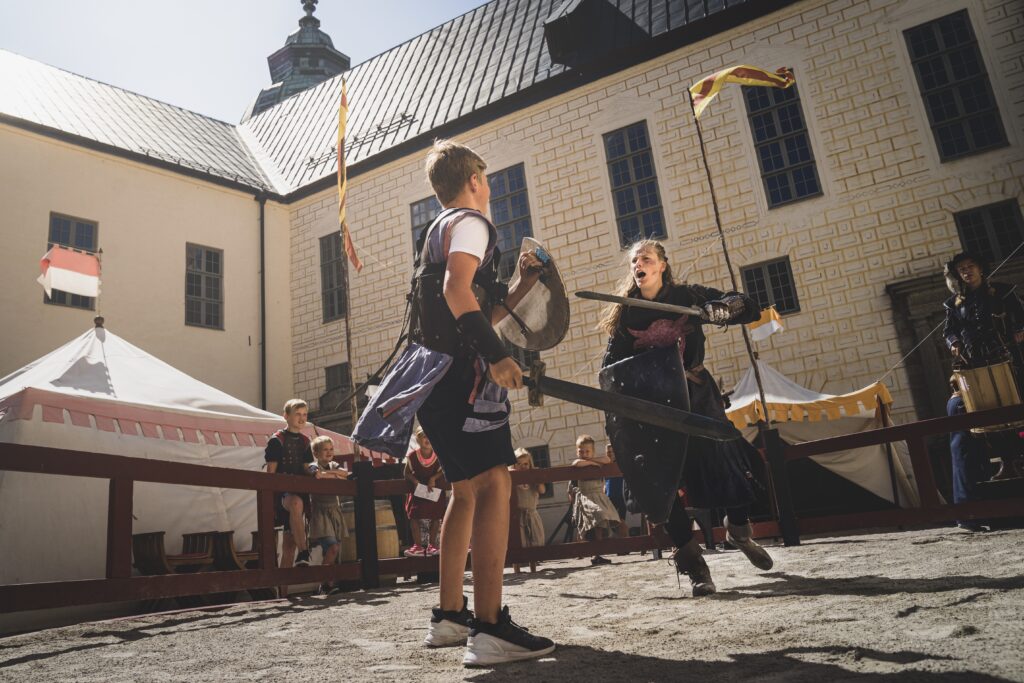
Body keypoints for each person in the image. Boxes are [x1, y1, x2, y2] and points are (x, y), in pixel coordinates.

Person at [414, 139, 555, 665]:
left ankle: (451, 617)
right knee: (496, 479)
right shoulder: (471, 223)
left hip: (430, 376)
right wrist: (497, 357)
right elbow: (457, 292)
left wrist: (521, 286)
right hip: (462, 380)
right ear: (473, 179)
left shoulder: (438, 230)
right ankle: (491, 627)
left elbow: (468, 306)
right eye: (487, 178)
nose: (490, 187)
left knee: (464, 492)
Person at [599, 239, 773, 597]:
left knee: (730, 466)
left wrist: (723, 308)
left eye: (646, 258)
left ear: (662, 264)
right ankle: (696, 568)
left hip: (697, 396)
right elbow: (610, 374)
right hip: (653, 411)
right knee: (660, 487)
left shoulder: (688, 296)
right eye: (634, 261)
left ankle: (739, 531)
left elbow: (748, 306)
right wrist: (618, 429)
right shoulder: (626, 315)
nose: (638, 264)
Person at [943, 251, 1024, 480]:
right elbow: (948, 332)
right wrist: (954, 342)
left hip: (1009, 361)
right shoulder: (955, 303)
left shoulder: (1001, 291)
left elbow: (1021, 316)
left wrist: (1020, 331)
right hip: (977, 365)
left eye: (970, 266)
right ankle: (1007, 462)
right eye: (962, 269)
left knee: (1017, 409)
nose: (967, 272)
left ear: (980, 268)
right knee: (990, 417)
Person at [264, 398, 316, 569]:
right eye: (297, 414)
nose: (302, 418)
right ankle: (304, 552)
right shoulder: (276, 440)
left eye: (305, 415)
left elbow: (306, 468)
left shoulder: (306, 441)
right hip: (282, 497)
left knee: (288, 545)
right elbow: (271, 473)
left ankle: (283, 592)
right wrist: (269, 503)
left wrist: (323, 471)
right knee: (295, 502)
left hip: (300, 494)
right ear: (286, 416)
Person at [946, 380, 993, 531]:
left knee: (961, 478)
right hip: (965, 443)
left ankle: (966, 517)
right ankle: (970, 519)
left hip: (957, 442)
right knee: (967, 479)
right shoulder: (961, 401)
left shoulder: (950, 401)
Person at [567, 435, 620, 566]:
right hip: (586, 497)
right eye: (581, 451)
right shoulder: (579, 464)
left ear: (593, 451)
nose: (584, 454)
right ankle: (583, 551)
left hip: (598, 496)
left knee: (600, 524)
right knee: (593, 519)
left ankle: (598, 554)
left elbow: (607, 459)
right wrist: (592, 463)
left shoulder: (599, 459)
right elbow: (576, 463)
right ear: (577, 451)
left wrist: (594, 460)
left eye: (587, 451)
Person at [307, 436, 351, 594]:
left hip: (334, 511)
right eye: (325, 449)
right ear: (316, 452)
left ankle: (327, 584)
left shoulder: (334, 465)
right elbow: (317, 474)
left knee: (333, 551)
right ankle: (324, 581)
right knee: (332, 547)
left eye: (331, 449)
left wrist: (330, 472)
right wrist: (333, 475)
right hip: (321, 512)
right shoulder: (313, 466)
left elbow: (345, 473)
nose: (329, 452)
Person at [404, 426, 446, 557]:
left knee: (436, 516)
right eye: (424, 437)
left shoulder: (438, 455)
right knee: (414, 515)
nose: (427, 439)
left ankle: (432, 545)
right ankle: (417, 545)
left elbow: (443, 470)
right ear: (418, 439)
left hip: (433, 489)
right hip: (418, 490)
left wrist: (433, 478)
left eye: (429, 436)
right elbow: (406, 473)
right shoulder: (412, 456)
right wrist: (415, 481)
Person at [510, 447, 546, 573]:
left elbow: (542, 490)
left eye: (525, 464)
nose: (522, 467)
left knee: (533, 540)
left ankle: (533, 567)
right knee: (518, 541)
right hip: (517, 514)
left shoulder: (532, 478)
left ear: (530, 464)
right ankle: (517, 569)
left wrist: (538, 479)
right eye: (519, 464)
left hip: (531, 512)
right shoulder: (512, 478)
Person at [603, 444, 630, 540]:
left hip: (620, 496)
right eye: (608, 452)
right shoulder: (605, 466)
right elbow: (604, 482)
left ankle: (627, 543)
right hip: (609, 497)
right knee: (611, 522)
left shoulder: (620, 464)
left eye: (612, 451)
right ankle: (620, 544)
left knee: (621, 520)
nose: (610, 454)